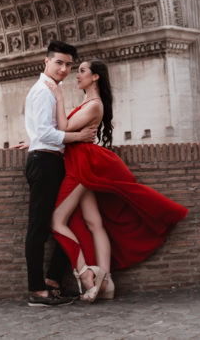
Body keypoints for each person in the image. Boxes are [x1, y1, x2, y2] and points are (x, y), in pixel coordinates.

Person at [49, 59, 188, 302]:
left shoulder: (93, 105)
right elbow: (65, 133)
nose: (76, 75)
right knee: (94, 222)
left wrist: (59, 99)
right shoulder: (87, 102)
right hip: (80, 162)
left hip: (83, 164)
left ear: (95, 77)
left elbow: (64, 127)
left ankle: (85, 273)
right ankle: (107, 281)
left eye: (81, 71)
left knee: (57, 221)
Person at [24, 40, 98, 307]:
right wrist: (77, 135)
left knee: (62, 221)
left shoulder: (53, 89)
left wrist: (34, 138)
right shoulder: (44, 91)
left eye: (69, 64)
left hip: (50, 159)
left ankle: (53, 280)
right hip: (44, 161)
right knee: (39, 227)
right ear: (46, 61)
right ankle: (37, 291)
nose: (65, 69)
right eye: (59, 63)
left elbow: (42, 131)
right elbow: (45, 133)